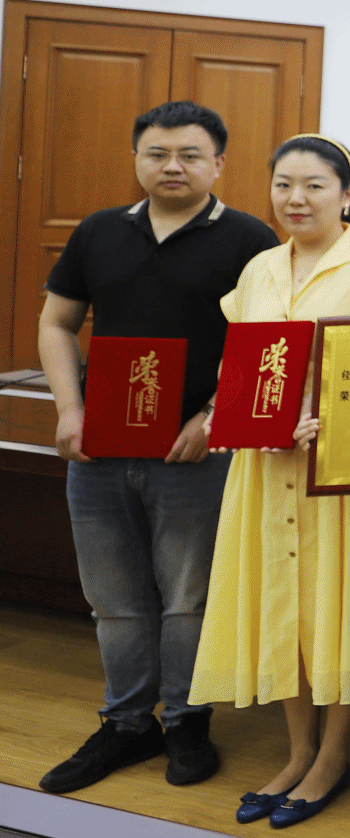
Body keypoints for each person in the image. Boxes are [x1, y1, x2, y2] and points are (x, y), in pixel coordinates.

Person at [36, 102, 278, 794]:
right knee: (113, 599)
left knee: (187, 598)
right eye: (158, 153)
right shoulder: (98, 231)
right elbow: (57, 323)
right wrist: (69, 409)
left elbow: (266, 343)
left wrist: (213, 417)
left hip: (194, 455)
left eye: (190, 154)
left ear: (218, 163)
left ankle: (187, 720)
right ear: (137, 159)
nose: (173, 166)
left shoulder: (250, 240)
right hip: (99, 451)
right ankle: (126, 723)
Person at [190, 135, 350, 828]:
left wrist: (325, 420)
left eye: (315, 185)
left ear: (347, 194)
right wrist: (242, 418)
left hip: (341, 472)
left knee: (338, 609)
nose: (296, 198)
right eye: (284, 184)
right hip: (266, 467)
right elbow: (238, 368)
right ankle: (298, 752)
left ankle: (332, 758)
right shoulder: (259, 269)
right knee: (283, 608)